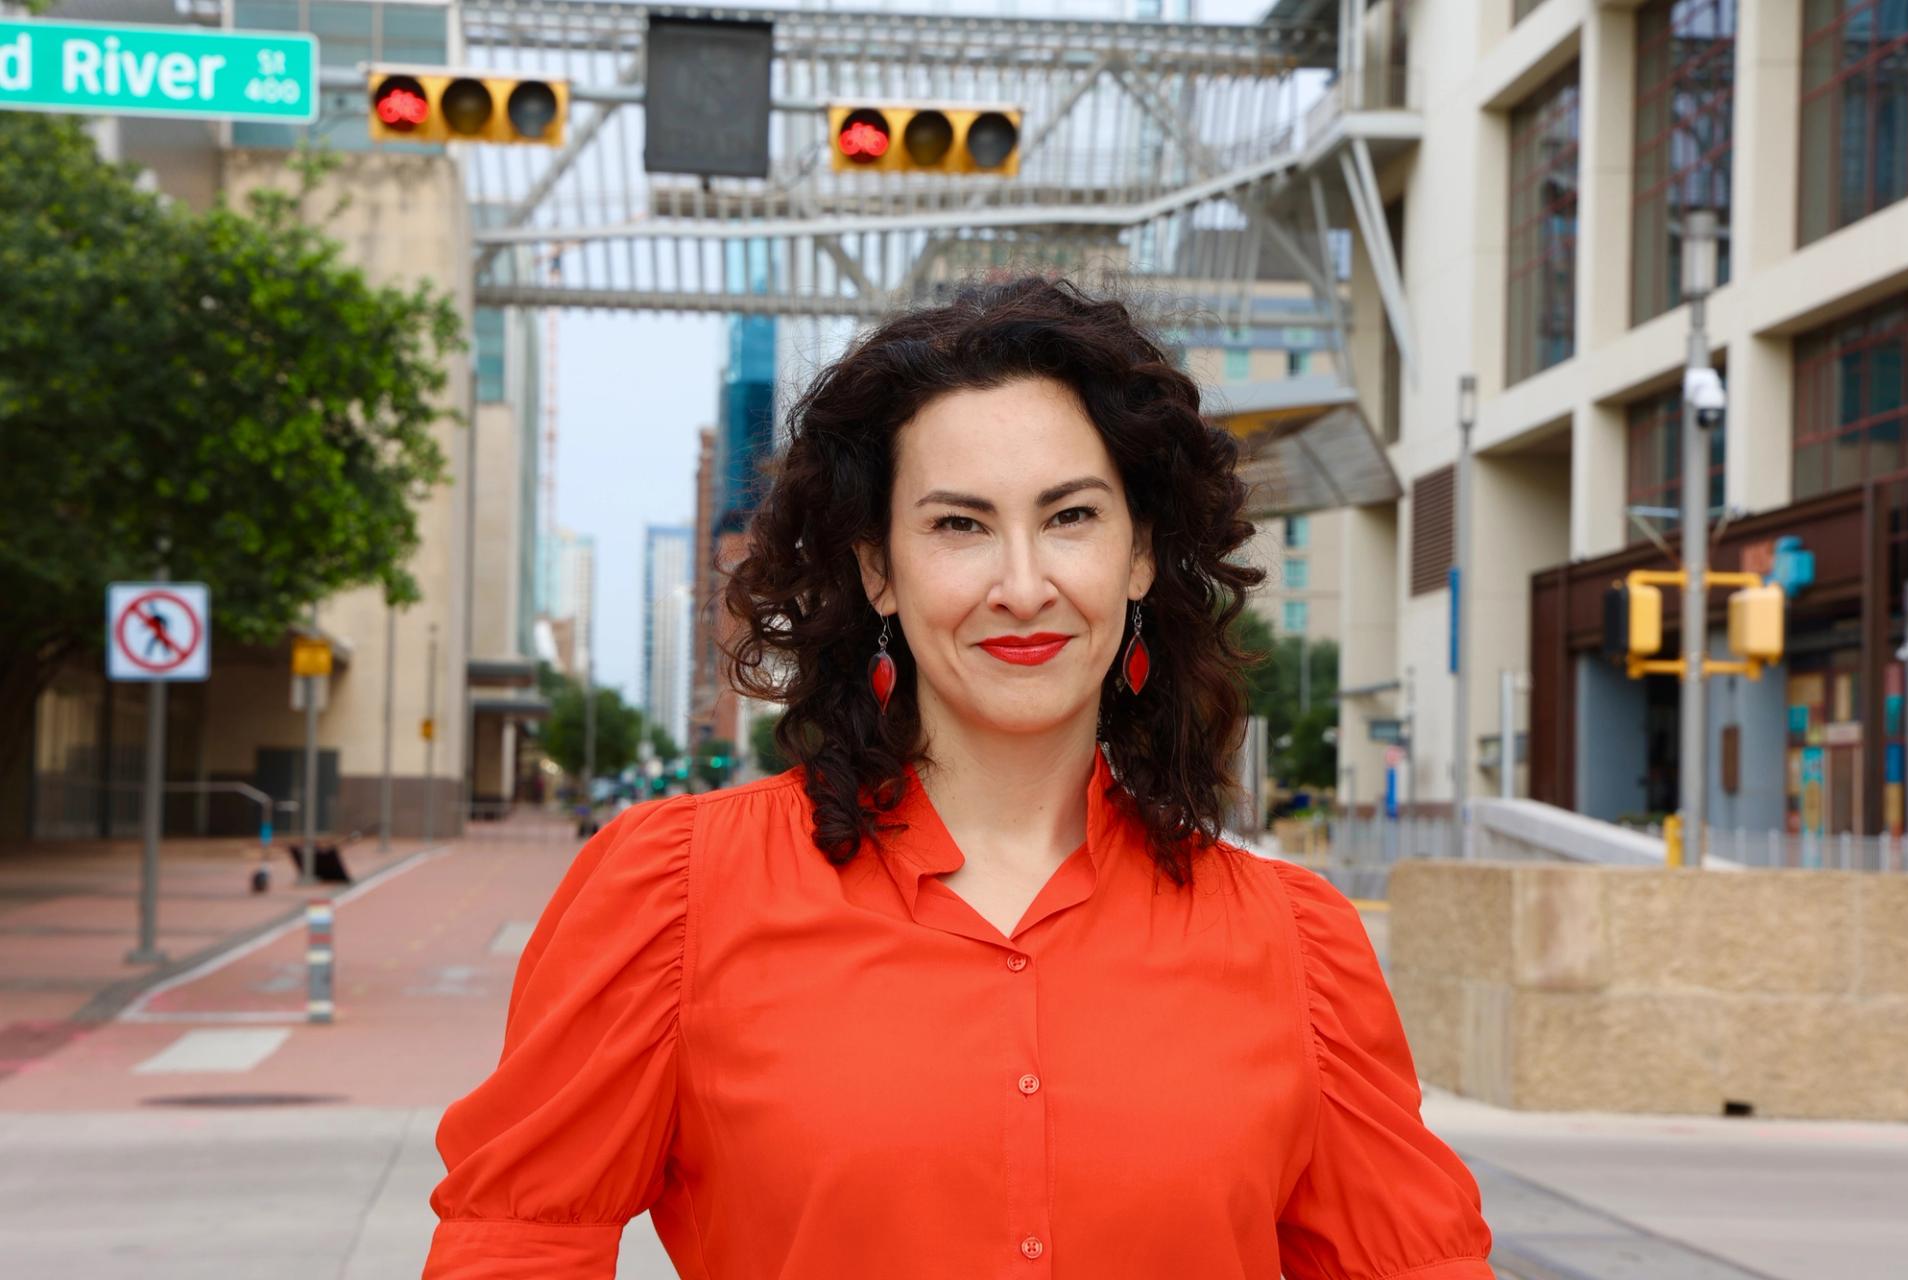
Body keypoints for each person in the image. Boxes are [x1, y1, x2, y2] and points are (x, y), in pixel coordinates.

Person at [424, 278, 1493, 1278]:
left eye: (1071, 516)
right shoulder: (676, 895)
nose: (1022, 584)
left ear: (1138, 556)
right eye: (959, 525)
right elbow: (516, 1245)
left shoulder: (1292, 945)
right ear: (878, 567)